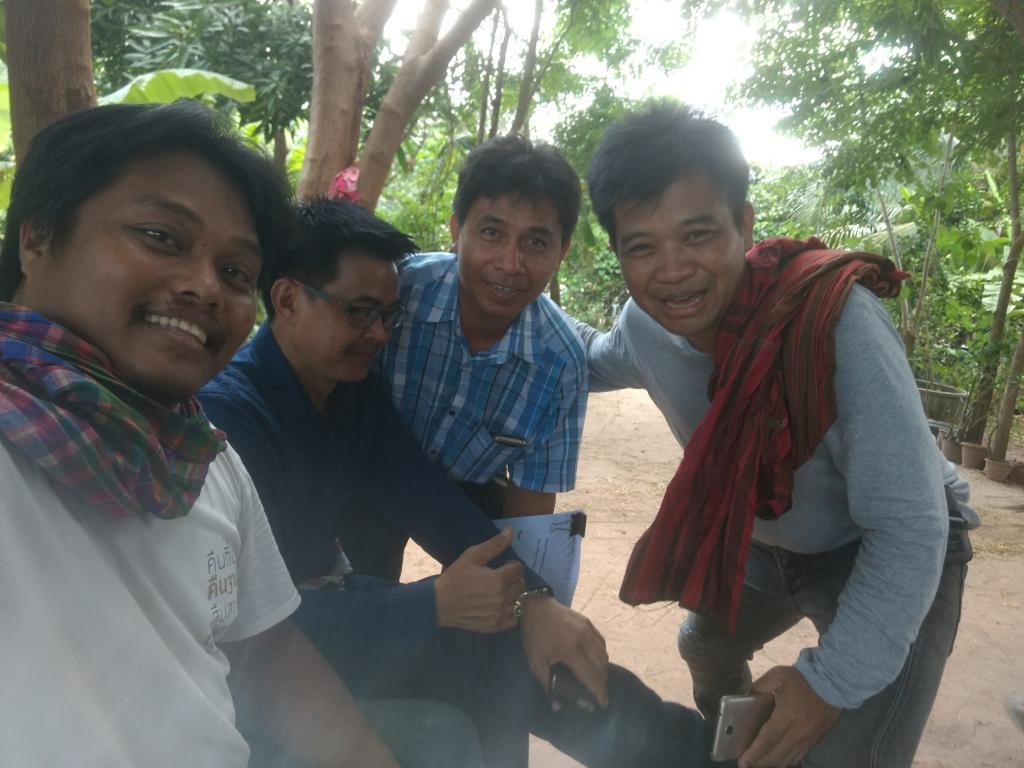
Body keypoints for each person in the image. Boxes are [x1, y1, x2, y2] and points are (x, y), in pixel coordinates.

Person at [0, 101, 482, 768]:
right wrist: (433, 604)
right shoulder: (25, 444)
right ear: (38, 238)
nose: (205, 287)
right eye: (161, 236)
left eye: (234, 272)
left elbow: (263, 652)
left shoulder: (200, 453)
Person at [200, 197, 719, 768]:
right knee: (465, 692)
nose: (378, 334)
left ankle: (700, 752)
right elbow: (249, 630)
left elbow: (427, 499)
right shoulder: (228, 425)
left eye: (388, 316)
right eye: (359, 313)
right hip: (257, 676)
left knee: (517, 649)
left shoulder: (347, 393)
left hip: (331, 609)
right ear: (287, 300)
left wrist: (534, 602)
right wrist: (433, 605)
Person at [575, 100, 971, 768]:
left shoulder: (834, 320)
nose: (672, 270)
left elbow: (909, 526)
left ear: (744, 226)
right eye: (641, 247)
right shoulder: (644, 330)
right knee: (705, 646)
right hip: (766, 542)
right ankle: (732, 739)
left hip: (883, 548)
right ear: (618, 253)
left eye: (697, 235)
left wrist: (827, 685)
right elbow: (584, 359)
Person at [375, 134, 587, 521]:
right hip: (372, 466)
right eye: (491, 233)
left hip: (470, 487)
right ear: (457, 231)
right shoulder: (396, 293)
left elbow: (530, 512)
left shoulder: (561, 365)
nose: (510, 264)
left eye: (536, 242)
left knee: (505, 556)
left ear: (562, 252)